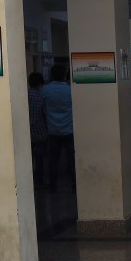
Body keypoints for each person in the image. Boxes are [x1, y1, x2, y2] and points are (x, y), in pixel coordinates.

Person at [42, 64, 75, 192]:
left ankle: (53, 185)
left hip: (52, 130)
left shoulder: (45, 90)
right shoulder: (70, 90)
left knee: (53, 160)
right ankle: (74, 185)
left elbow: (43, 109)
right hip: (69, 130)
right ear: (64, 75)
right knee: (71, 159)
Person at [27, 72, 48, 189]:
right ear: (40, 83)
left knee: (28, 158)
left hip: (26, 132)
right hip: (40, 131)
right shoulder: (41, 97)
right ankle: (39, 180)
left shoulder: (24, 95)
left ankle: (27, 180)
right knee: (40, 159)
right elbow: (44, 114)